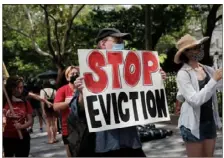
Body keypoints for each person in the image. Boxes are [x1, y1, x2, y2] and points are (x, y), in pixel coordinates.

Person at [73, 28, 167, 157]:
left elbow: (142, 100)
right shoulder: (89, 70)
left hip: (128, 139)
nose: (121, 43)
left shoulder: (131, 68)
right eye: (117, 40)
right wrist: (82, 93)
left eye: (122, 41)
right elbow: (79, 111)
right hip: (102, 141)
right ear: (102, 44)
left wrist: (156, 79)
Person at [175, 34, 222, 157]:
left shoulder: (207, 69)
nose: (200, 50)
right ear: (186, 52)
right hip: (192, 125)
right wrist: (214, 80)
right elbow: (195, 100)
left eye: (200, 46)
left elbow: (220, 86)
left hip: (209, 122)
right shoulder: (183, 74)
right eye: (195, 47)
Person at [3, 76, 33, 157]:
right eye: (17, 88)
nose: (20, 90)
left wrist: (22, 126)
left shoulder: (25, 102)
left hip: (23, 137)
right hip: (7, 138)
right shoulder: (3, 102)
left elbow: (30, 121)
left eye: (21, 87)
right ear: (11, 88)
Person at [53, 66, 79, 157]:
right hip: (68, 128)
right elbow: (55, 107)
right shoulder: (62, 90)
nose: (75, 76)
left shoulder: (85, 88)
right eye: (72, 74)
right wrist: (68, 102)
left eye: (77, 74)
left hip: (83, 127)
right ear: (67, 77)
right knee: (71, 154)